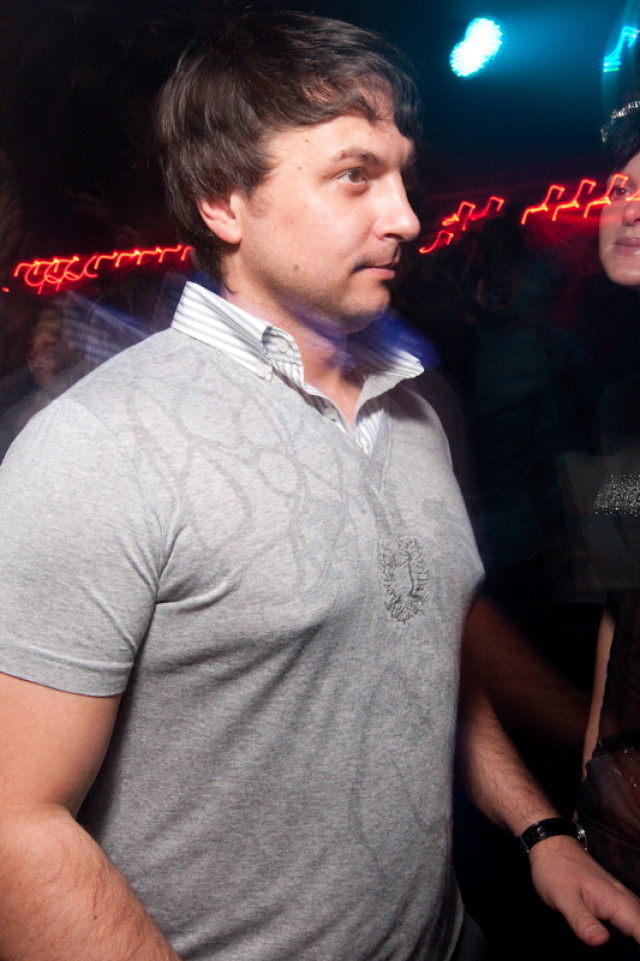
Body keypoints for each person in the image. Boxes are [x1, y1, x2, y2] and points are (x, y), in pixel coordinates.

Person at [0, 11, 639, 961]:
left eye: (401, 175)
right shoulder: (99, 445)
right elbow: (16, 824)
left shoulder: (414, 409)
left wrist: (539, 829)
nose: (407, 217)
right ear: (223, 201)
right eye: (354, 175)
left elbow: (425, 653)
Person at [574, 98, 640, 958]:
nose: (630, 206)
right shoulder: (618, 405)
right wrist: (588, 775)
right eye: (622, 186)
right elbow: (615, 597)